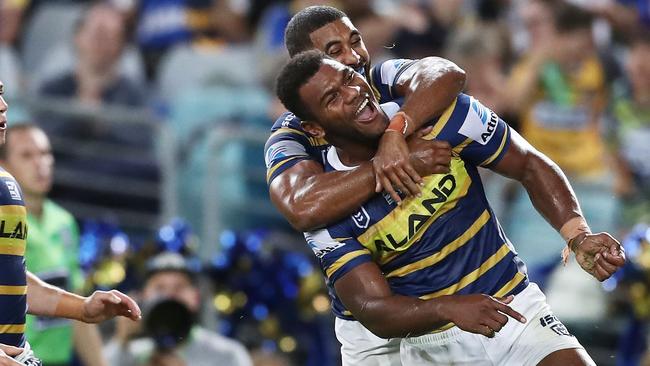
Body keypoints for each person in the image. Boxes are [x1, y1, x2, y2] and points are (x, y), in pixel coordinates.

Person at [274, 50, 626, 365]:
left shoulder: (441, 117)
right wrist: (446, 308)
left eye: (349, 78)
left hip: (513, 306)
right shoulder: (325, 207)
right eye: (333, 97)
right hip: (428, 341)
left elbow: (529, 165)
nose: (353, 93)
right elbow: (372, 309)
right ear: (314, 128)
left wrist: (577, 235)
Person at [265, 5, 465, 234]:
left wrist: (395, 132)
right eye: (334, 52)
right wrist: (395, 162)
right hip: (359, 248)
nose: (354, 57)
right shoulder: (290, 132)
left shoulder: (380, 78)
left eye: (355, 42)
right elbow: (300, 208)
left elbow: (448, 73)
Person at [0, 80, 141, 366]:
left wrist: (82, 307)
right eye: (27, 155)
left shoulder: (7, 187)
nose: (4, 106)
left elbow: (9, 279)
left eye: (2, 94)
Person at [0, 124, 108, 366]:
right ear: (4, 163)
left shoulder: (64, 222)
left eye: (45, 154)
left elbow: (72, 295)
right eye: (27, 155)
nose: (40, 163)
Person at [104, 252, 252, 366]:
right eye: (159, 288)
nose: (169, 295)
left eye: (179, 287)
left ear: (195, 298)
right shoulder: (130, 352)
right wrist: (121, 340)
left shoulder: (227, 354)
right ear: (143, 297)